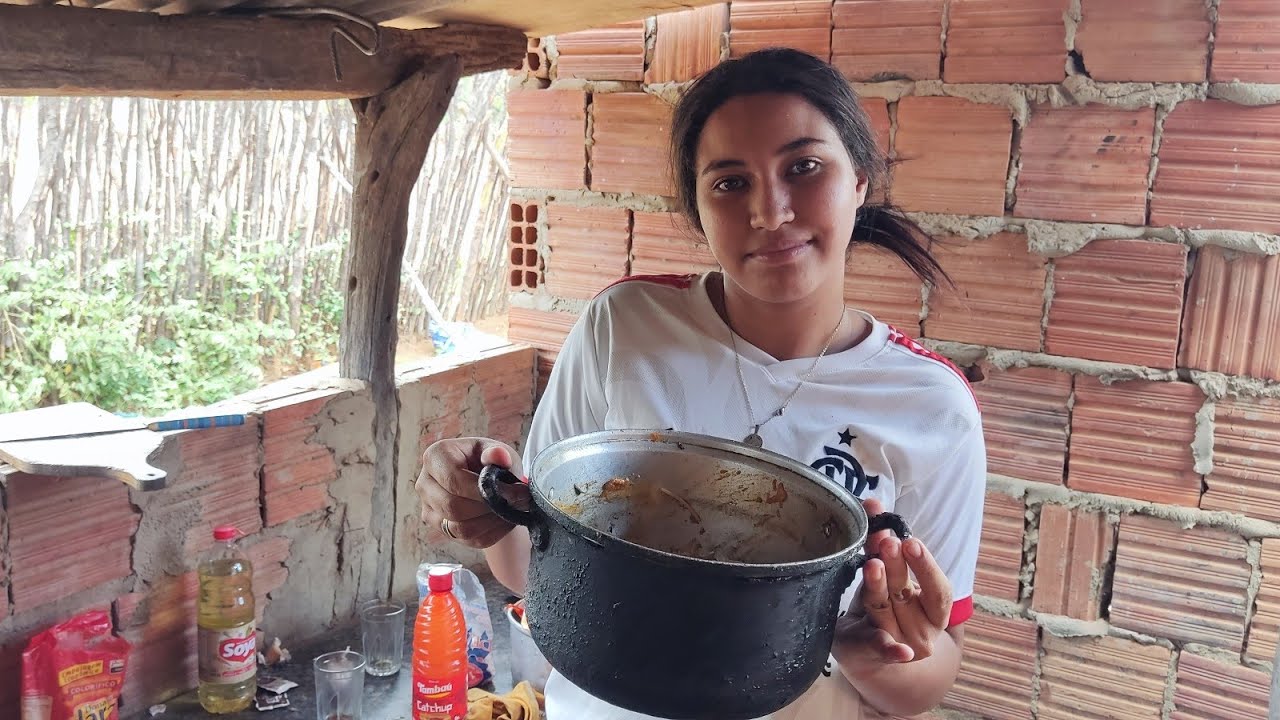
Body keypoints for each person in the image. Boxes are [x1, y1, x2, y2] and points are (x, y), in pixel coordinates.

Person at [415, 47, 987, 720]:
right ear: (696, 206)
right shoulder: (626, 328)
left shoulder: (930, 405)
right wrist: (482, 513)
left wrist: (862, 646)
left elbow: (934, 665)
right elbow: (537, 565)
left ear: (859, 180)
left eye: (803, 168)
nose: (770, 212)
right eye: (729, 182)